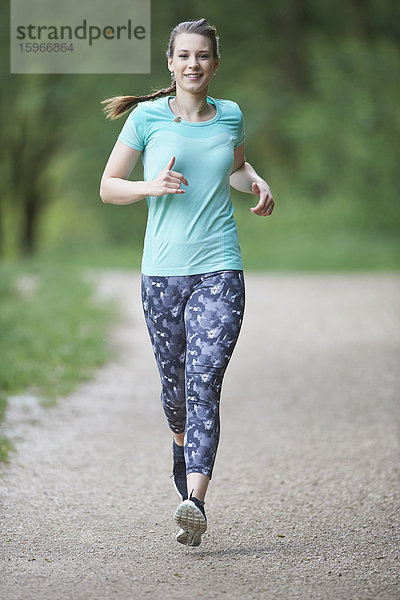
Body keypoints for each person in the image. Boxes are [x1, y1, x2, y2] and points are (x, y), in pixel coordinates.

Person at [100, 18, 274, 547]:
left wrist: (257, 181)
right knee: (175, 391)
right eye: (185, 56)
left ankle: (194, 499)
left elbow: (235, 169)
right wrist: (151, 186)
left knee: (204, 380)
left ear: (214, 64)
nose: (194, 64)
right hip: (161, 273)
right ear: (170, 64)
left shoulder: (232, 115)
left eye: (203, 56)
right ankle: (182, 447)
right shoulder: (148, 119)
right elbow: (109, 187)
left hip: (219, 267)